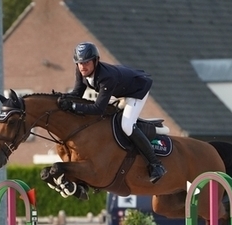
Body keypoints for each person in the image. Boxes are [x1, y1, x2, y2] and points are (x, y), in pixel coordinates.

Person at [58, 42, 167, 184]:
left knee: (126, 125)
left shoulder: (105, 77)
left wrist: (72, 106)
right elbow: (77, 93)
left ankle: (156, 165)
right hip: (119, 89)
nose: (83, 66)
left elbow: (98, 109)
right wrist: (60, 98)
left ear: (96, 61)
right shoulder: (80, 71)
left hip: (136, 90)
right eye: (79, 63)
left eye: (86, 62)